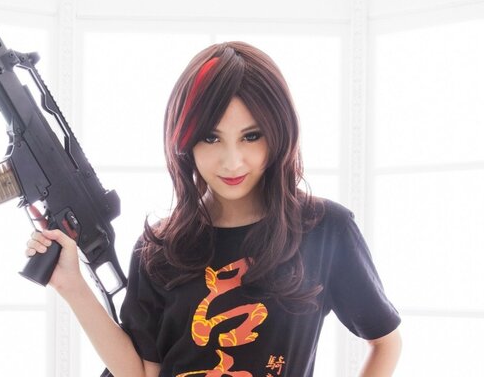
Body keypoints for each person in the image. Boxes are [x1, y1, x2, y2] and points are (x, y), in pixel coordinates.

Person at [26, 41, 402, 377]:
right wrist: (71, 285)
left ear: (279, 136)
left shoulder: (324, 230)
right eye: (211, 138)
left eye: (251, 136)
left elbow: (385, 341)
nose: (232, 161)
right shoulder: (159, 247)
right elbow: (141, 374)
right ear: (185, 142)